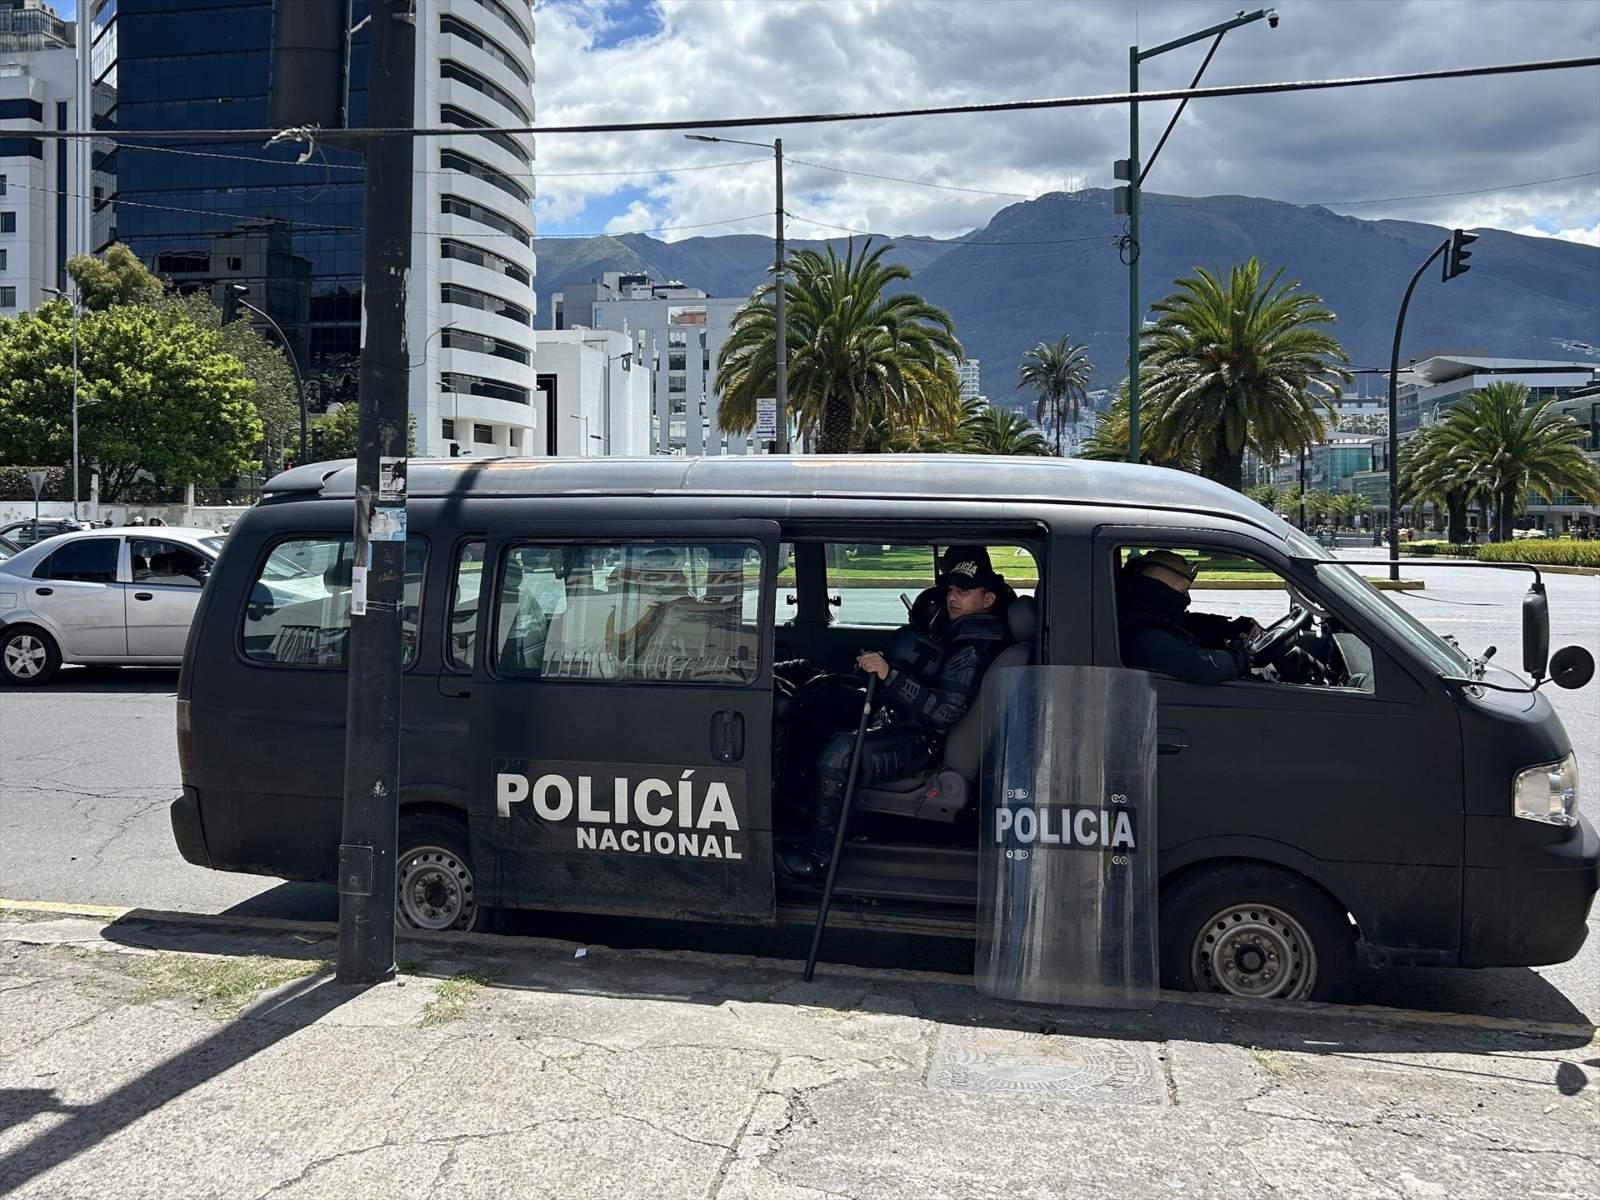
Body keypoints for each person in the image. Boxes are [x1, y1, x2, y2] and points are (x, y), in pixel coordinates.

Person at [777, 546, 1011, 879]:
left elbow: (945, 712)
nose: (953, 598)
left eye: (964, 592)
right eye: (951, 590)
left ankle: (820, 858)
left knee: (840, 754)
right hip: (910, 725)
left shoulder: (974, 647)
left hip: (923, 743)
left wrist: (891, 675)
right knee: (823, 709)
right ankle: (809, 811)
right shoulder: (960, 632)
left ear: (988, 600)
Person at [1119, 550, 1259, 686]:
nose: (1187, 599)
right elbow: (1206, 667)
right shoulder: (1146, 637)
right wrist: (1238, 658)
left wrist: (1230, 627)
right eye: (1182, 591)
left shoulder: (1153, 617)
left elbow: (1189, 623)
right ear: (1160, 592)